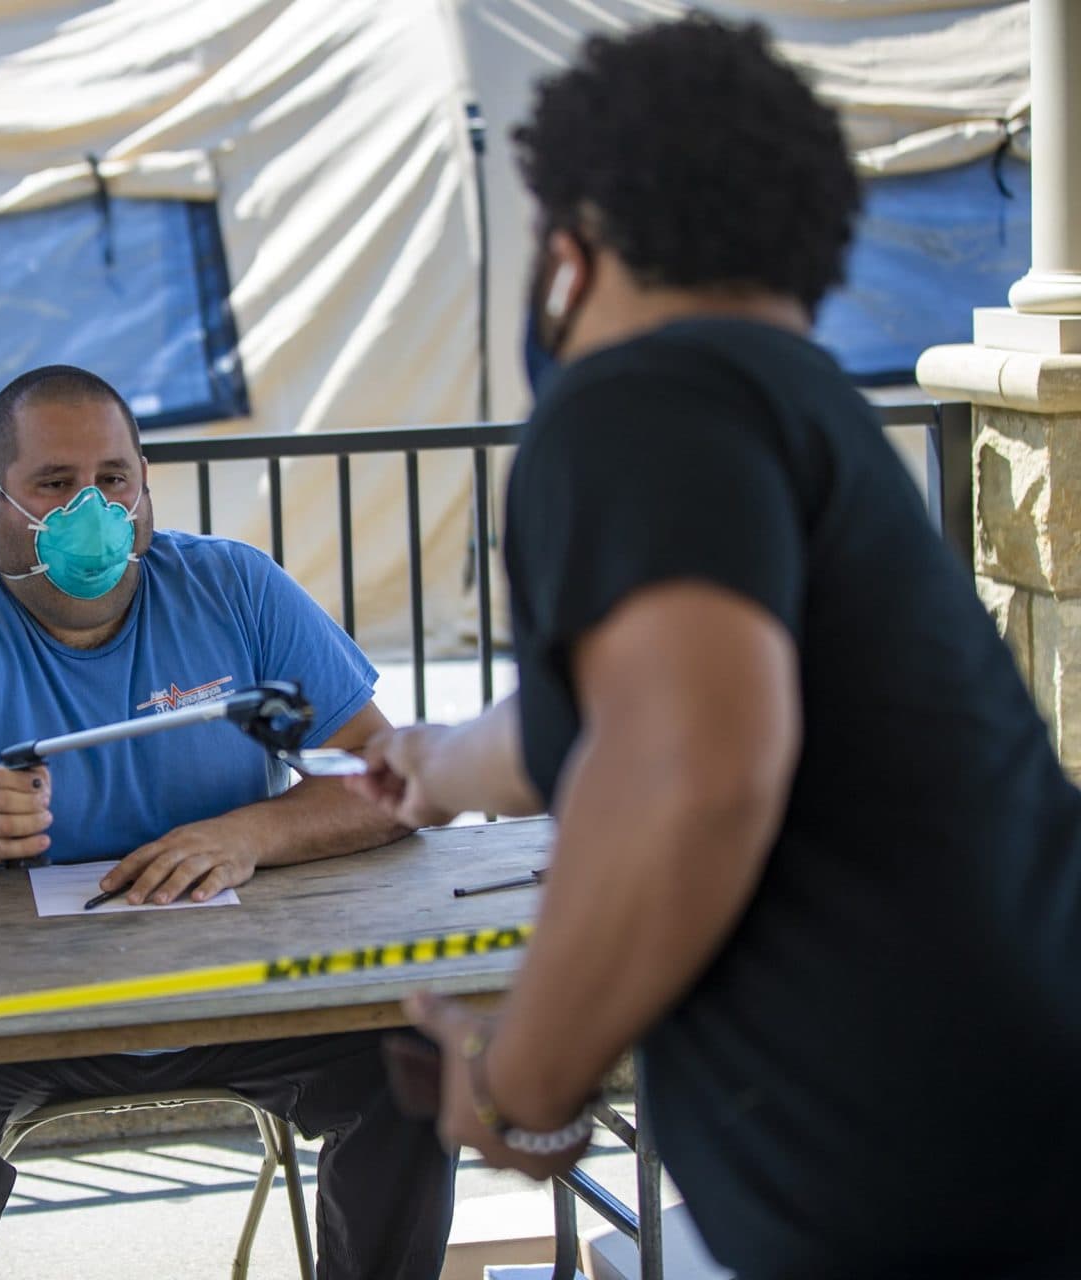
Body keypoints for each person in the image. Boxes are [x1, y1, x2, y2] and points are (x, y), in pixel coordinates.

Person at [351, 16, 1078, 1278]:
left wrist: (524, 1073)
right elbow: (614, 710)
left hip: (920, 1179)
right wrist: (432, 761)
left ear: (572, 248)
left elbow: (695, 764)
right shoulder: (794, 404)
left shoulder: (639, 398)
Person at [0, 364, 453, 1280]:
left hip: (245, 988)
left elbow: (385, 777)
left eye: (113, 479)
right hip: (16, 1008)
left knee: (417, 1059)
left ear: (147, 481)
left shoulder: (233, 587)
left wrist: (251, 834)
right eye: (55, 484)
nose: (93, 509)